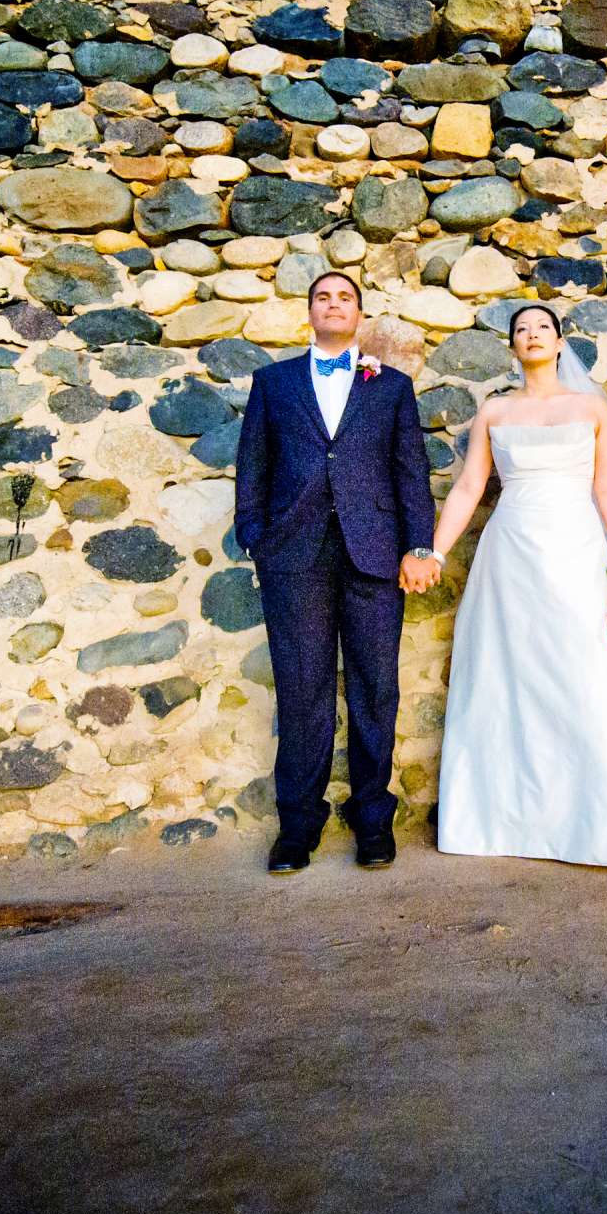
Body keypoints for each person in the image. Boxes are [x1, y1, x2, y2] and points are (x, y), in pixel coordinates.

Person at [409, 303, 607, 867]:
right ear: (512, 348)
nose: (531, 336)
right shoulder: (495, 412)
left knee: (586, 672)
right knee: (506, 676)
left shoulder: (591, 408)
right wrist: (434, 550)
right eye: (521, 330)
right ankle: (509, 818)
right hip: (509, 556)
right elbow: (467, 490)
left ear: (559, 344)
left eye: (542, 329)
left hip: (579, 552)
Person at [231, 270, 437, 875]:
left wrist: (418, 545)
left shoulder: (391, 387)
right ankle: (298, 826)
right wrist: (255, 539)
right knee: (302, 690)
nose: (333, 304)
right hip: (292, 555)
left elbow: (409, 474)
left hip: (374, 553)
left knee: (376, 688)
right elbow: (253, 463)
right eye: (323, 296)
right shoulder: (273, 383)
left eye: (344, 297)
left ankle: (372, 822)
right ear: (310, 311)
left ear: (359, 314)